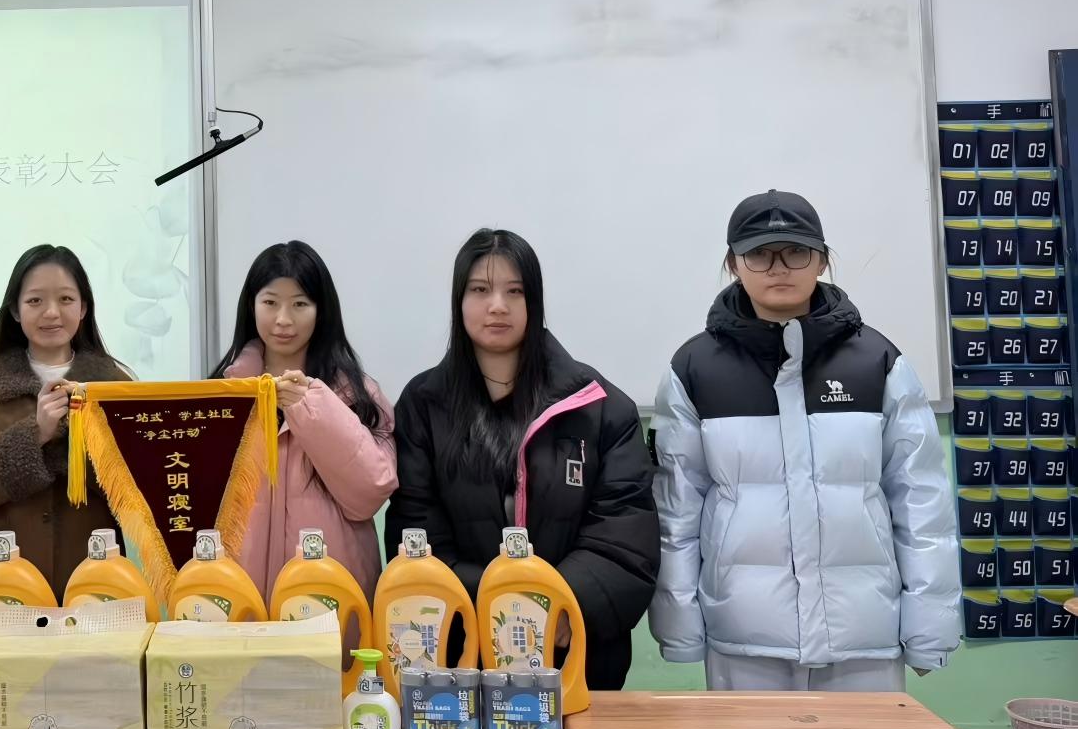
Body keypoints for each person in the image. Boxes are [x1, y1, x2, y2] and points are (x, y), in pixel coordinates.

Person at [650, 190, 959, 691]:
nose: (778, 267)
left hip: (863, 635)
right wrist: (679, 625)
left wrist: (929, 626)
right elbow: (676, 511)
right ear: (733, 263)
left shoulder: (878, 362)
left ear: (822, 259)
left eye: (796, 251)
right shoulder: (695, 369)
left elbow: (922, 504)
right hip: (743, 635)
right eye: (758, 253)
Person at [386, 228, 658, 689]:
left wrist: (560, 605)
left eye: (515, 292)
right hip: (461, 659)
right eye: (480, 290)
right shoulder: (423, 405)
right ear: (459, 301)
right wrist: (496, 610)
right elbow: (416, 536)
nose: (497, 306)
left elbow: (624, 536)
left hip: (572, 658)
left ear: (535, 301)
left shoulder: (598, 406)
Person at [0, 245, 127, 594]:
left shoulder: (113, 385)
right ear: (15, 311)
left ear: (83, 308)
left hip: (93, 575)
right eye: (35, 301)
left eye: (66, 299)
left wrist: (79, 445)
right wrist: (33, 436)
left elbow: (140, 483)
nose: (51, 312)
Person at [213, 240, 396, 602]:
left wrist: (314, 410)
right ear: (251, 306)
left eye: (300, 304)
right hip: (239, 592)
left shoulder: (357, 395)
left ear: (321, 310)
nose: (283, 319)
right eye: (270, 303)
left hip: (332, 592)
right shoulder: (222, 395)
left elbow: (371, 492)